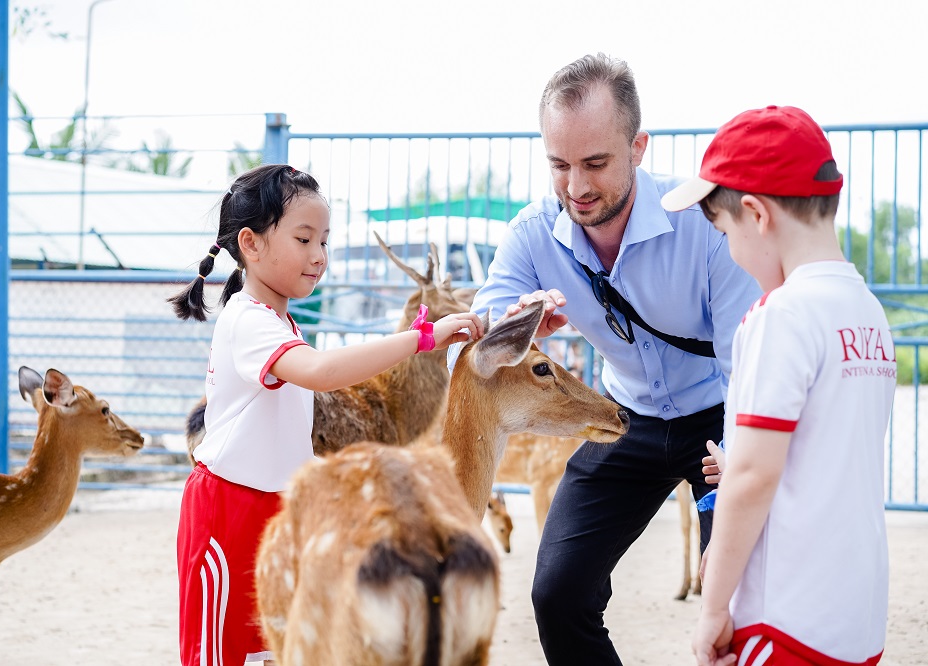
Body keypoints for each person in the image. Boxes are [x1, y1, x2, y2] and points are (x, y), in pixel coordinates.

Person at [449, 53, 761, 664]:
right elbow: (483, 324)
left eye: (596, 163)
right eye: (559, 165)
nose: (577, 187)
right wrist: (522, 317)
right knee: (557, 592)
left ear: (638, 147)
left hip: (722, 419)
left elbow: (747, 368)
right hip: (629, 419)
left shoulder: (704, 224)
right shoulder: (532, 233)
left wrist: (729, 502)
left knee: (743, 592)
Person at [168, 164, 484, 666]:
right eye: (304, 239)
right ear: (250, 243)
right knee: (225, 654)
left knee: (277, 649)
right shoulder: (249, 319)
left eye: (325, 241)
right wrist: (422, 338)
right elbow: (320, 371)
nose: (319, 257)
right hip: (229, 513)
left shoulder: (277, 317)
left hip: (279, 509)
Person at [662, 106, 896, 666]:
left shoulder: (780, 315)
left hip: (784, 619)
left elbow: (753, 476)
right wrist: (744, 455)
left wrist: (714, 606)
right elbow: (820, 451)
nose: (732, 255)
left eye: (723, 234)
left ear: (756, 214)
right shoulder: (867, 312)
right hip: (855, 620)